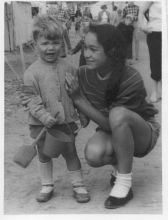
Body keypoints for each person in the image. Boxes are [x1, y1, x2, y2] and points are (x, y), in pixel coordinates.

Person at [65, 24, 160, 209]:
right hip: (113, 128)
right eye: (85, 47)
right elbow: (83, 111)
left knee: (118, 114)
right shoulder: (83, 74)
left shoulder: (131, 77)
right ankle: (120, 167)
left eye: (93, 49)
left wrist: (79, 100)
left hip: (142, 133)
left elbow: (113, 122)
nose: (86, 54)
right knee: (93, 154)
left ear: (112, 50)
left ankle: (124, 184)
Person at [20, 15, 90, 204]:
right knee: (43, 153)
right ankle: (47, 185)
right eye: (45, 43)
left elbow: (76, 93)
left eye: (56, 42)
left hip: (65, 122)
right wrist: (43, 116)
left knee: (70, 151)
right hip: (39, 124)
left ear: (62, 43)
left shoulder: (69, 68)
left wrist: (82, 112)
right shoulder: (31, 73)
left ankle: (78, 184)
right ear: (35, 43)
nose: (50, 48)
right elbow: (28, 98)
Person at [138, 1, 161, 103]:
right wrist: (142, 26)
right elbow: (141, 11)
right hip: (156, 32)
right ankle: (155, 91)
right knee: (156, 62)